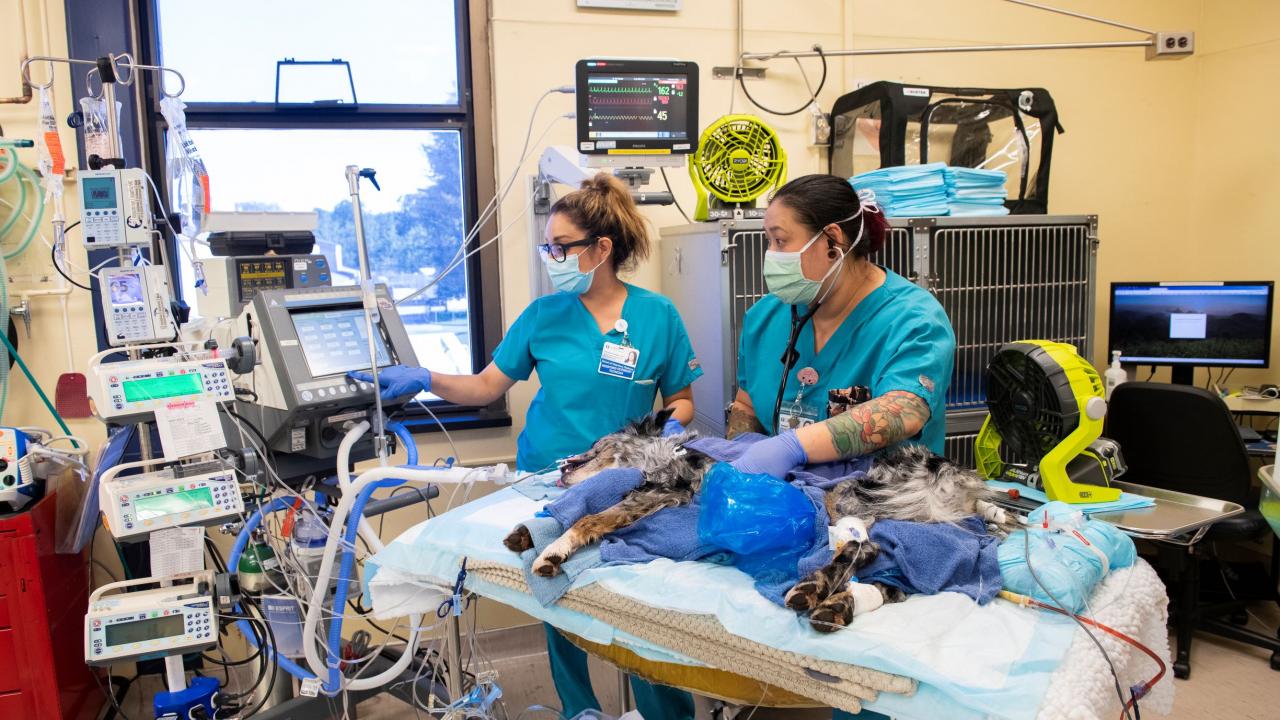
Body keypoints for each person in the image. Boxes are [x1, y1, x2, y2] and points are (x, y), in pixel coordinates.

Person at [351, 172, 702, 720]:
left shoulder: (658, 316)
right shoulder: (544, 316)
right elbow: (487, 386)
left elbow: (680, 397)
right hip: (549, 477)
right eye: (548, 245)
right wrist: (426, 377)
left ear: (601, 249)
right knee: (556, 596)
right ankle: (578, 711)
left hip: (629, 482)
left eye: (560, 246)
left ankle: (668, 714)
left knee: (637, 611)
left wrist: (670, 428)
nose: (550, 256)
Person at [727, 174, 956, 720]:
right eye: (768, 241)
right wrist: (743, 455)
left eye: (780, 241)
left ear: (832, 240)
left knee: (868, 688)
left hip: (885, 522)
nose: (770, 255)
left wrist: (791, 447)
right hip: (792, 518)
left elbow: (904, 409)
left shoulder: (911, 316)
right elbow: (745, 406)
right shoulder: (766, 319)